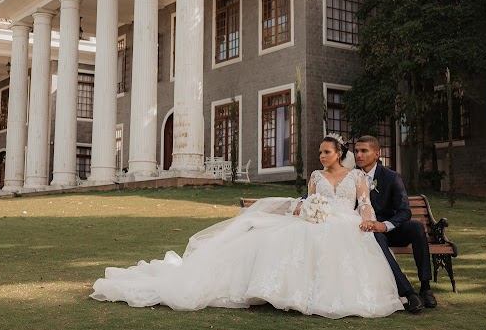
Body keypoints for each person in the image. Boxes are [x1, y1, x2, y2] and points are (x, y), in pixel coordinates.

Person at [90, 135, 404, 319]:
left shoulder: (357, 177)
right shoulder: (315, 177)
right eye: (320, 152)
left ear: (340, 154)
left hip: (347, 223)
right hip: (316, 220)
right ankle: (285, 295)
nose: (321, 156)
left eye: (326, 152)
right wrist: (310, 210)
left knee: (342, 247)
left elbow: (363, 203)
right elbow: (308, 201)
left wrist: (367, 218)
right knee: (287, 241)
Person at [354, 135, 436, 313]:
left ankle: (425, 286)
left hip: (390, 229)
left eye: (364, 151)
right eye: (356, 151)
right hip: (366, 233)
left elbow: (404, 211)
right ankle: (408, 292)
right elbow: (326, 188)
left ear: (377, 154)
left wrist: (384, 225)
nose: (358, 155)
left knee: (416, 227)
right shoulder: (350, 176)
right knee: (376, 237)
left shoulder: (391, 177)